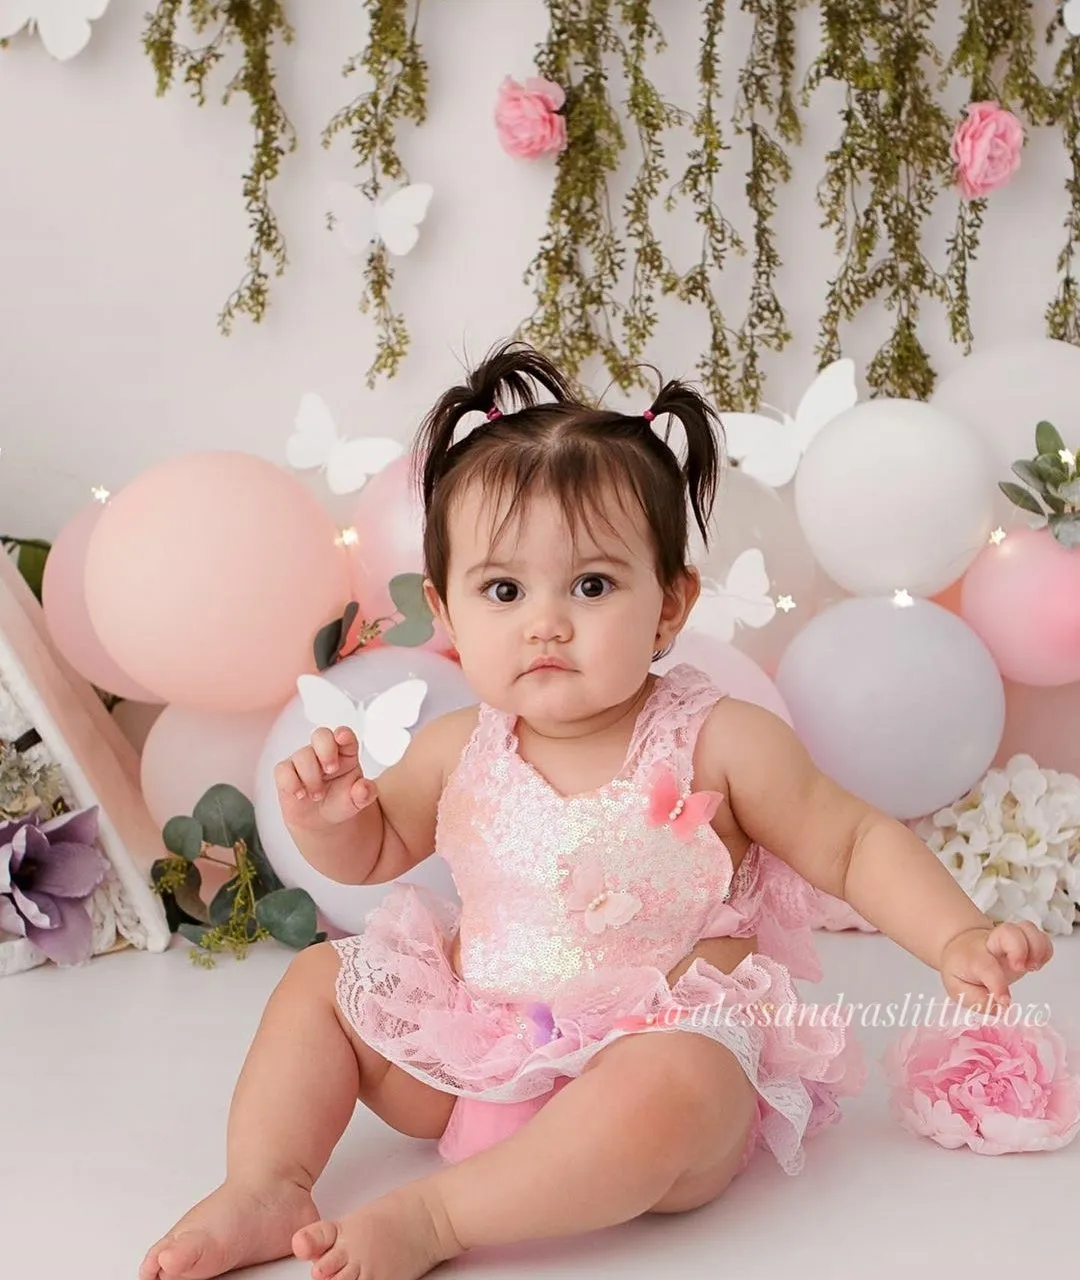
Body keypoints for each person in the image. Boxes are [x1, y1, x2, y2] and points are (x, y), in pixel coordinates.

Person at [140, 341, 1054, 1280]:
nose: (546, 620)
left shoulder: (719, 738)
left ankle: (440, 1219)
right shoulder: (460, 747)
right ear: (449, 620)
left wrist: (956, 935)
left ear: (668, 606)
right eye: (504, 590)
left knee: (677, 1076)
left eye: (591, 585)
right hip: (478, 1058)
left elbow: (855, 843)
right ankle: (266, 1182)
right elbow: (373, 851)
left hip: (647, 1075)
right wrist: (332, 819)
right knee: (320, 984)